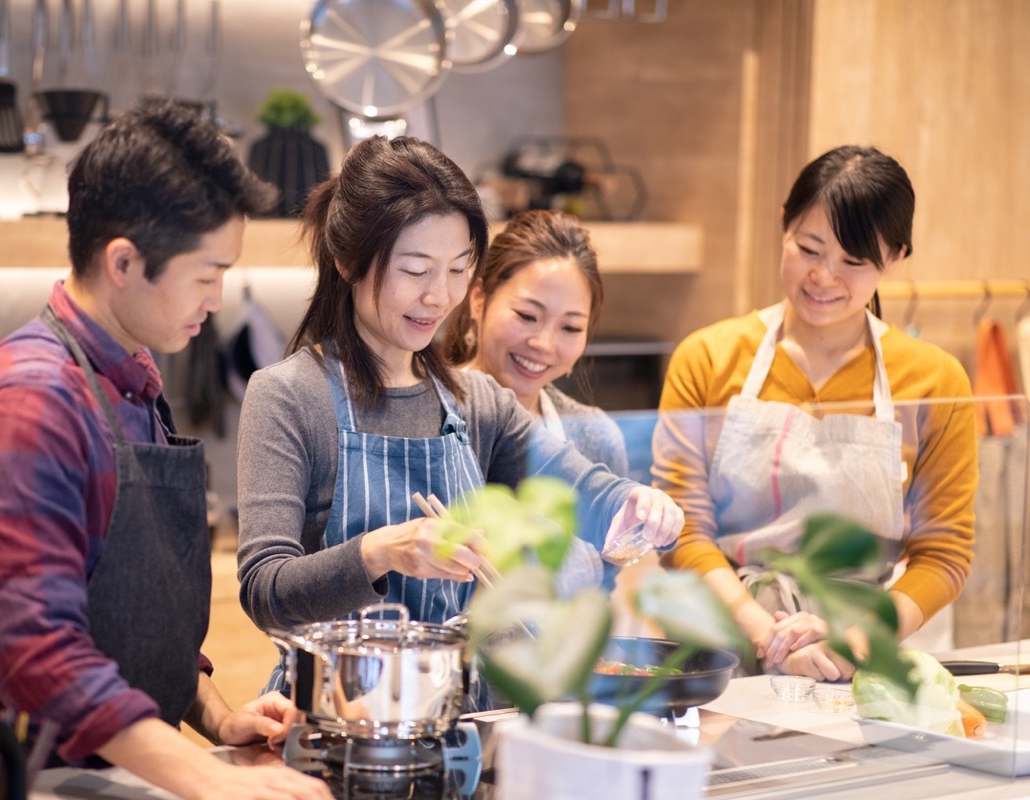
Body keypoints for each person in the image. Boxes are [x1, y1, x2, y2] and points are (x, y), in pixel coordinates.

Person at [0, 98, 332, 800]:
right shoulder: (31, 400)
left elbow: (131, 617)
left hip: (124, 771)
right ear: (125, 262)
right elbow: (39, 656)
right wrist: (209, 781)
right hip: (35, 774)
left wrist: (218, 719)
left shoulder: (131, 379)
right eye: (206, 274)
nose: (218, 298)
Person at [234, 135, 684, 710]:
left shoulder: (476, 401)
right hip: (338, 718)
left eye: (456, 269)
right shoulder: (288, 395)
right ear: (348, 260)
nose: (437, 296)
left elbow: (586, 486)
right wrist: (380, 551)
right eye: (415, 269)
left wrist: (638, 503)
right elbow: (265, 590)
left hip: (459, 721)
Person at [651, 145, 977, 681]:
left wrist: (858, 636)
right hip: (721, 649)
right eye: (808, 249)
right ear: (784, 225)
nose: (824, 277)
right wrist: (766, 633)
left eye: (853, 261)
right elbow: (684, 532)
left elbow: (943, 555)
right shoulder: (708, 357)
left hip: (856, 658)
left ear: (894, 258)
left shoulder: (935, 380)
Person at [443, 209, 629, 477]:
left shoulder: (597, 437)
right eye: (527, 316)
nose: (544, 343)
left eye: (571, 327)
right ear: (478, 300)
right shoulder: (426, 414)